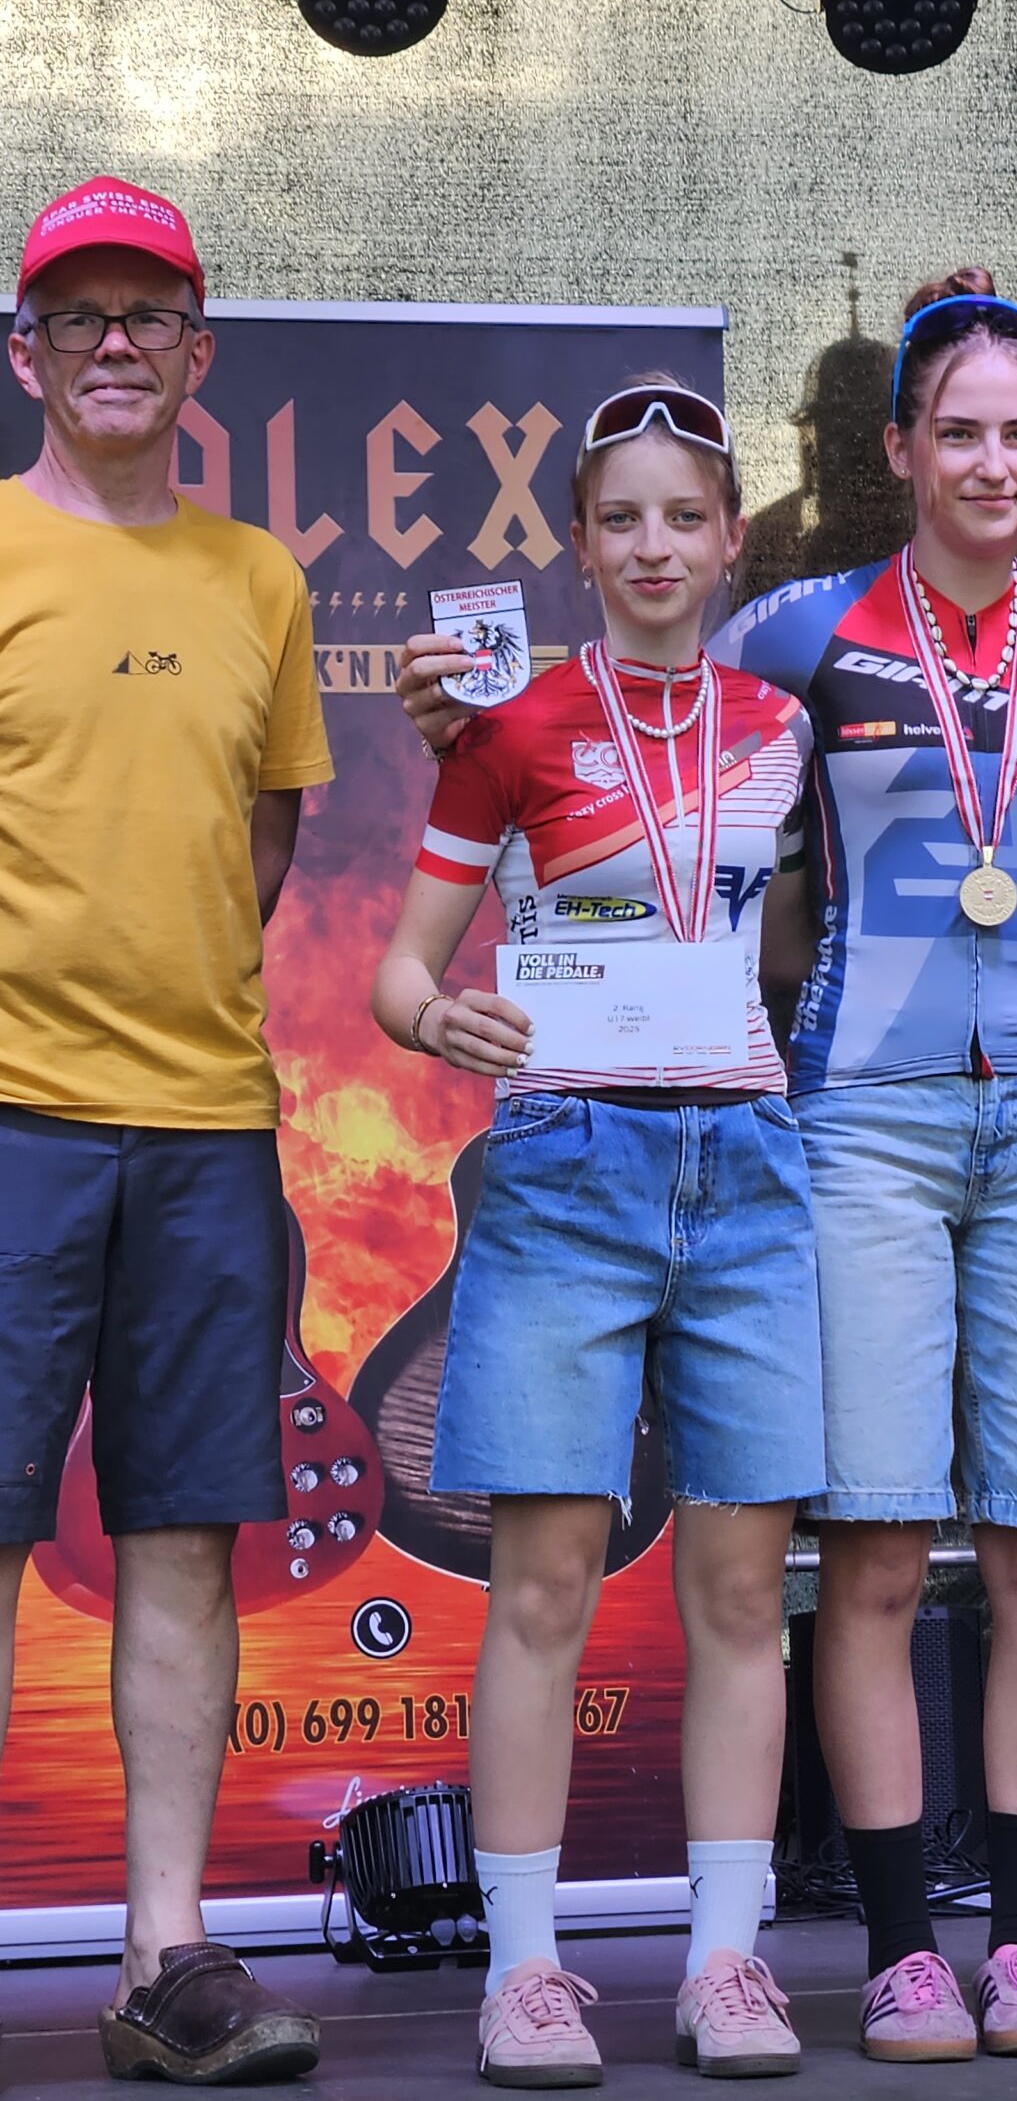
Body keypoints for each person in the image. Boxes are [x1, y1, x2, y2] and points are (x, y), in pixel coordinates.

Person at [401, 273, 1017, 2064]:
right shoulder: (782, 642)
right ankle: (765, 1955)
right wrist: (452, 731)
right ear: (895, 451)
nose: (988, 459)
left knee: (949, 1563)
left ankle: (935, 1951)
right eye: (954, 429)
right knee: (779, 1558)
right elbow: (572, 766)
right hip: (767, 1126)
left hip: (934, 1119)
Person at [373, 379, 823, 2083]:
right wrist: (443, 1022)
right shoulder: (508, 726)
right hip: (566, 1165)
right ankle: (527, 1969)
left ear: (729, 538)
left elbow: (784, 953)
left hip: (748, 1164)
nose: (653, 546)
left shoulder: (783, 729)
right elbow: (400, 969)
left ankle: (726, 1963)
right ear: (576, 544)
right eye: (620, 518)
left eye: (683, 517)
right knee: (546, 1579)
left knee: (739, 1586)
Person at [0, 180, 332, 2084]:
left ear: (200, 356)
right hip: (11, 1123)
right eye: (79, 313)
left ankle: (163, 1961)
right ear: (25, 353)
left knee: (183, 1539)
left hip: (206, 1126)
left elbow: (260, 846)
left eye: (148, 314)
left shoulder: (258, 579)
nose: (114, 341)